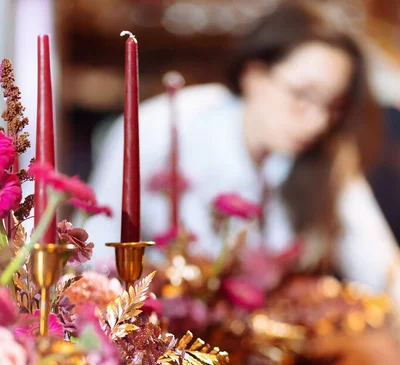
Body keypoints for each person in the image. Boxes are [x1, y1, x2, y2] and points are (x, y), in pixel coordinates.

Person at [88, 0, 400, 300]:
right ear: (253, 74)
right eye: (304, 95)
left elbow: (381, 268)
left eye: (333, 106)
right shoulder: (164, 129)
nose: (318, 121)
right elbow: (95, 261)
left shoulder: (326, 154)